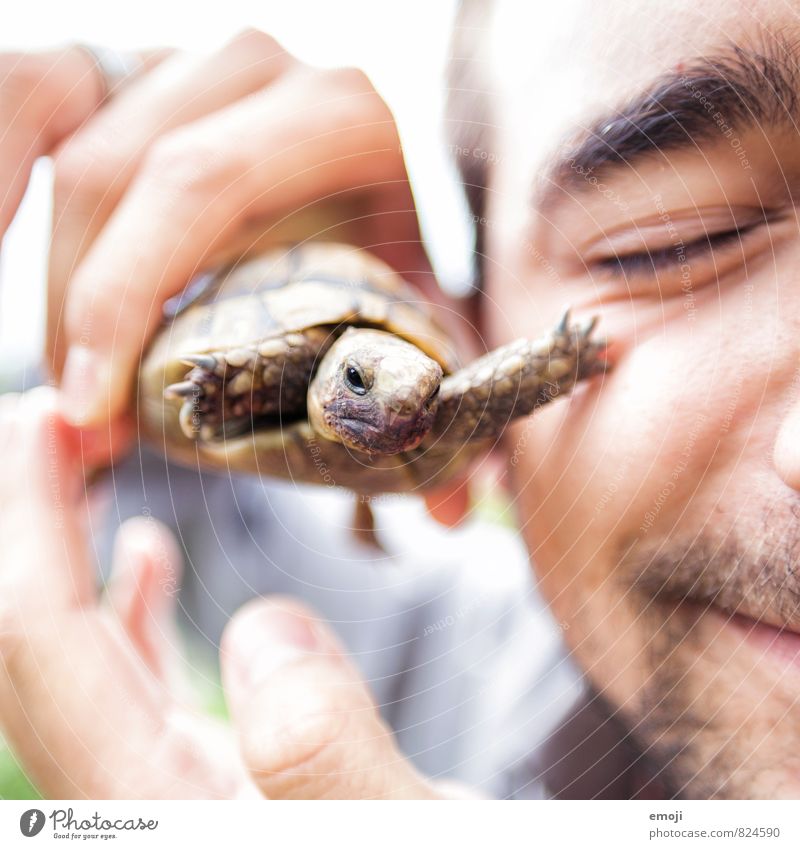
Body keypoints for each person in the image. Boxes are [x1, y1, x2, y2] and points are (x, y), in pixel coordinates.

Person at [1, 0, 798, 798]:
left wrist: (558, 359)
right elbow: (172, 503)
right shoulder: (477, 676)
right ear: (477, 319)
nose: (405, 413)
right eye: (684, 237)